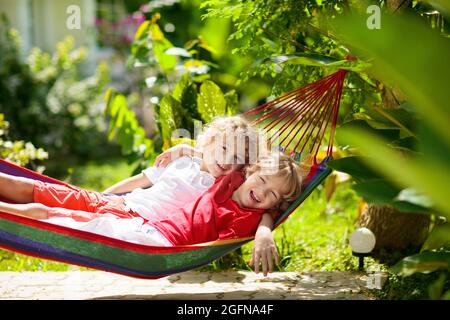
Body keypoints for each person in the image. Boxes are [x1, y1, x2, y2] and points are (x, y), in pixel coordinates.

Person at [0, 151, 302, 276]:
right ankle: (11, 211)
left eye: (272, 195)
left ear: (273, 205)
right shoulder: (230, 179)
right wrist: (186, 147)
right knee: (66, 218)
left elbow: (264, 217)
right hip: (145, 226)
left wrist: (264, 232)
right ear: (249, 172)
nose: (262, 192)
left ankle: (12, 212)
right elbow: (220, 155)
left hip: (155, 242)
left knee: (68, 224)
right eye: (262, 180)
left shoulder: (250, 216)